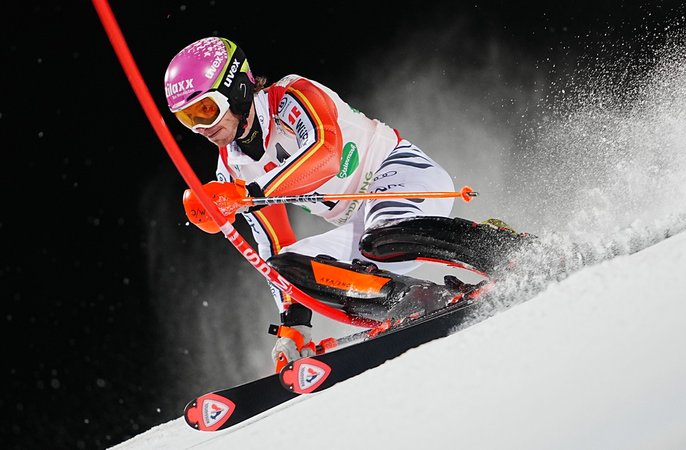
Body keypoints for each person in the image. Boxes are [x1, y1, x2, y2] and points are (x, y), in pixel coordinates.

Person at [164, 37, 526, 372]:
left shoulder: (291, 96)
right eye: (188, 119)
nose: (201, 128)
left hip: (404, 175)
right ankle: (414, 300)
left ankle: (500, 248)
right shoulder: (231, 167)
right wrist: (294, 325)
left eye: (206, 111)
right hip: (363, 224)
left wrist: (251, 194)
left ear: (237, 88)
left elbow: (327, 154)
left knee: (381, 238)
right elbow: (271, 243)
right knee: (283, 268)